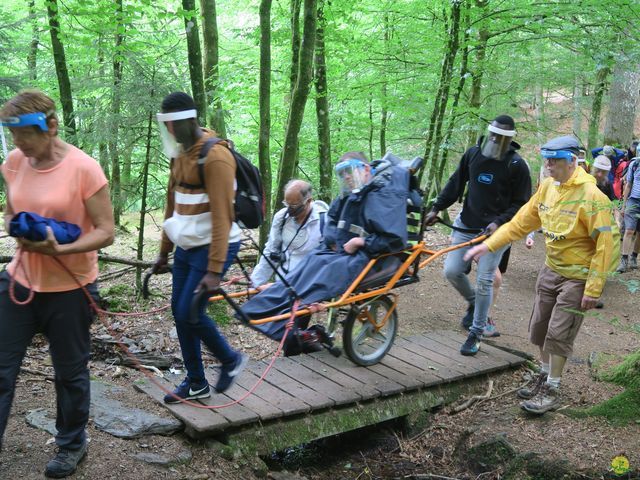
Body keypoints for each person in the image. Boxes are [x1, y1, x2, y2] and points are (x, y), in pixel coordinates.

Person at [0, 90, 115, 477]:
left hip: (70, 290)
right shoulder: (14, 162)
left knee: (69, 372)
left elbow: (105, 232)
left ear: (50, 127)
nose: (18, 144)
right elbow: (11, 213)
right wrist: (21, 232)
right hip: (19, 282)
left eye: (24, 135)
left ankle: (71, 444)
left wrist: (61, 251)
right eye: (12, 135)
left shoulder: (85, 168)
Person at [464, 135, 619, 415]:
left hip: (578, 275)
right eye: (546, 158)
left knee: (558, 333)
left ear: (573, 161)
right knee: (538, 329)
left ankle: (553, 388)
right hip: (551, 269)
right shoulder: (547, 187)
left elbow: (605, 246)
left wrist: (593, 288)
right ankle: (545, 375)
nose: (548, 165)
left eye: (555, 160)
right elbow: (520, 223)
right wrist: (487, 246)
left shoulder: (592, 197)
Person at [240, 152, 409, 355]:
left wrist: (360, 241)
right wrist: (334, 242)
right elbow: (331, 224)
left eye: (350, 171)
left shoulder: (383, 196)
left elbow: (394, 239)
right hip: (337, 251)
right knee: (306, 266)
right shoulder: (347, 195)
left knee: (321, 274)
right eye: (342, 173)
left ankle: (287, 322)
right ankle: (256, 309)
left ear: (365, 169)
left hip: (366, 256)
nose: (346, 177)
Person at [152, 92, 247, 403]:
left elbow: (222, 216)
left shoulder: (216, 157)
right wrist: (164, 251)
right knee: (180, 314)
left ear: (190, 120)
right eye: (164, 124)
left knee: (190, 312)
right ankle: (196, 383)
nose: (169, 130)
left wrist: (215, 270)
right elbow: (173, 205)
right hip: (187, 245)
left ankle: (230, 359)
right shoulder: (180, 153)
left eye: (173, 124)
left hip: (214, 247)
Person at [424, 115, 532, 356]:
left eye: (502, 137)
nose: (496, 139)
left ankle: (476, 331)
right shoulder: (473, 154)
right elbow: (456, 183)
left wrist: (498, 222)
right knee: (451, 271)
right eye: (493, 134)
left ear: (509, 139)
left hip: (497, 232)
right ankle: (475, 303)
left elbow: (521, 204)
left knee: (485, 279)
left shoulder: (517, 165)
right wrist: (436, 208)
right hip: (467, 224)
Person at [250, 180, 328, 287]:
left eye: (294, 205)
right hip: (282, 283)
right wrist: (255, 283)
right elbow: (271, 251)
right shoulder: (281, 217)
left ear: (308, 201)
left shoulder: (324, 221)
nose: (290, 209)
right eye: (287, 204)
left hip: (311, 285)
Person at [617, 154, 640, 273]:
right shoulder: (634, 165)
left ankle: (634, 258)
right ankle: (624, 259)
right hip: (633, 200)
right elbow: (628, 185)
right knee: (629, 230)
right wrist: (623, 204)